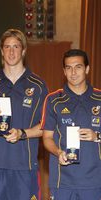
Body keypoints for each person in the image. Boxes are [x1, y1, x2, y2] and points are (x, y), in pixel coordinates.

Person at [0, 29, 48, 200]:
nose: (11, 51)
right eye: (7, 47)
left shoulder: (38, 86)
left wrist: (22, 134)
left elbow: (46, 127)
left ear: (23, 50)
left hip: (25, 168)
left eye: (16, 46)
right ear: (1, 50)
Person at [41, 49, 101, 200]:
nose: (73, 72)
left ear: (87, 69)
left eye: (78, 67)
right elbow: (47, 138)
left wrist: (97, 136)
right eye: (68, 68)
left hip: (94, 182)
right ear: (64, 71)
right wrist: (58, 152)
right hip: (63, 182)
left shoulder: (99, 98)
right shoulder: (53, 100)